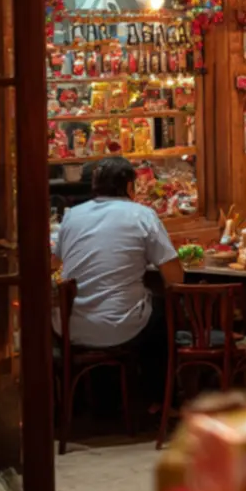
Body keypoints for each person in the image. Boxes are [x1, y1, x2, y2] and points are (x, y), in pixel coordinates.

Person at [52, 156, 184, 400]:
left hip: (71, 326)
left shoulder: (72, 216)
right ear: (130, 187)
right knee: (166, 312)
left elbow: (53, 263)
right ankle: (159, 400)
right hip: (122, 327)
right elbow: (175, 277)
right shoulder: (142, 215)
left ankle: (92, 402)